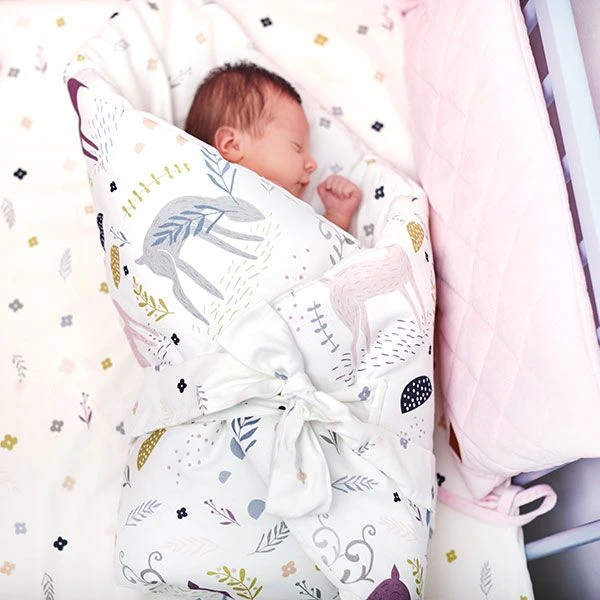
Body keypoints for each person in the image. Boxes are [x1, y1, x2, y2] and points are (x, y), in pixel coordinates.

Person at [184, 61, 361, 232]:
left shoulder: (290, 209)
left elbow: (317, 248)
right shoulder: (194, 192)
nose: (313, 164)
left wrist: (336, 216)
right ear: (232, 145)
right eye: (297, 147)